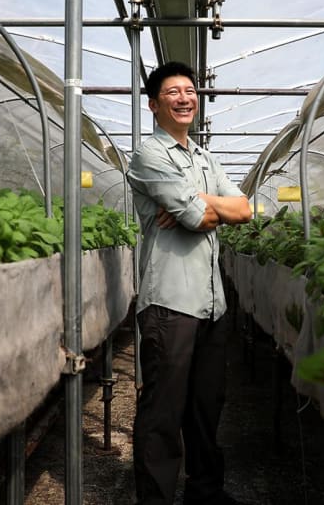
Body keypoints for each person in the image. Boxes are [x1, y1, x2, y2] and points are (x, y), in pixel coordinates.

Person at [127, 61, 252, 505]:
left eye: (190, 91)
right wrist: (205, 208)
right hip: (170, 304)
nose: (185, 98)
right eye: (173, 92)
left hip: (212, 305)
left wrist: (194, 198)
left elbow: (244, 210)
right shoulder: (149, 155)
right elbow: (200, 219)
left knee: (205, 407)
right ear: (154, 105)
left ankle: (205, 493)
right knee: (163, 412)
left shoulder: (204, 158)